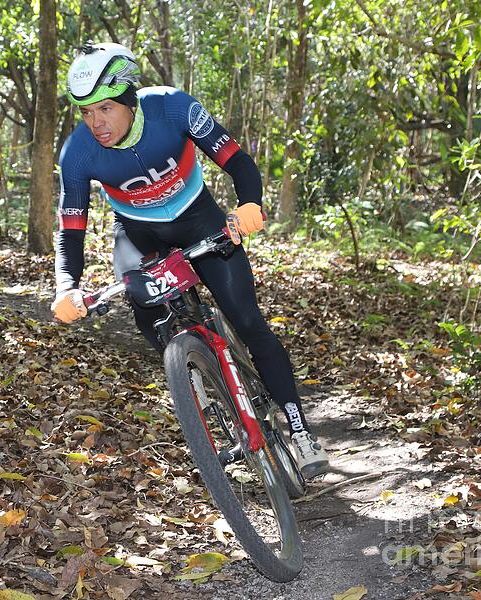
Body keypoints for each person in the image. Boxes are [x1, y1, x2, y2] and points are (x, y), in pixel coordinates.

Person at [50, 42, 328, 479]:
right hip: (138, 235)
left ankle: (299, 430)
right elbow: (71, 228)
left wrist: (250, 204)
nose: (95, 122)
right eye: (85, 113)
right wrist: (67, 285)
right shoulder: (79, 153)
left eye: (104, 109)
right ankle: (199, 387)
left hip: (199, 219)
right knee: (144, 308)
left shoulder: (172, 108)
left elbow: (236, 160)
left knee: (248, 321)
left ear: (128, 99)